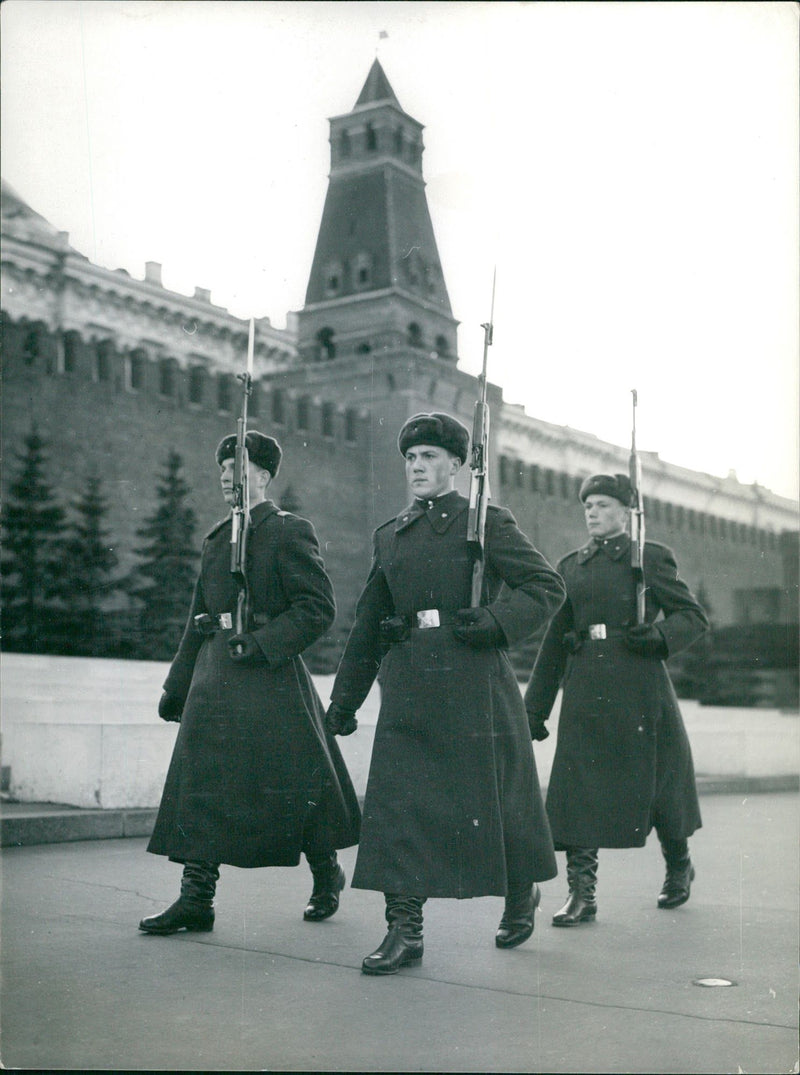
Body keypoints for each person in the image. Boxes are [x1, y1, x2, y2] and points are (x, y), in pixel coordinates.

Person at [325, 412, 565, 975]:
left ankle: (519, 891)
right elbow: (368, 622)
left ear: (456, 465)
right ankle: (404, 931)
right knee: (399, 806)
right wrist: (345, 700)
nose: (417, 467)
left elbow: (545, 586)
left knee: (498, 801)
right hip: (408, 685)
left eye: (429, 457)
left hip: (474, 678)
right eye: (410, 458)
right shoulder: (392, 534)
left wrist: (497, 622)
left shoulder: (487, 523)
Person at [140, 431, 360, 936]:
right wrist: (176, 685)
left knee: (294, 783)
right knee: (203, 784)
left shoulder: (288, 531)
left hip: (271, 679)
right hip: (214, 678)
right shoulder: (217, 540)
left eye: (235, 467)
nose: (224, 476)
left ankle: (326, 872)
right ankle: (196, 899)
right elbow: (199, 615)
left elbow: (317, 608)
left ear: (262, 476)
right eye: (220, 467)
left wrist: (263, 641)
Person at [524, 473, 708, 927]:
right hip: (586, 687)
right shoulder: (571, 567)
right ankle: (582, 895)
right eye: (588, 506)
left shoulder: (648, 558)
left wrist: (661, 636)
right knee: (577, 790)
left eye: (604, 505)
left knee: (663, 785)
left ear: (627, 513)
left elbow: (692, 616)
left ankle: (678, 865)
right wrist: (535, 708)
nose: (593, 513)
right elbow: (554, 641)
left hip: (641, 683)